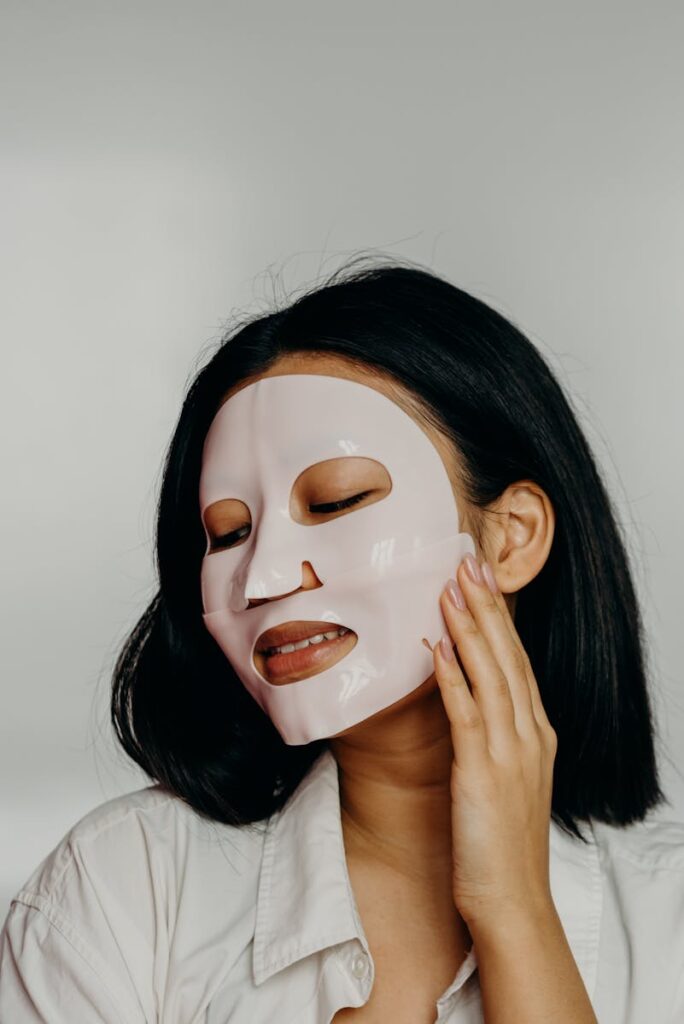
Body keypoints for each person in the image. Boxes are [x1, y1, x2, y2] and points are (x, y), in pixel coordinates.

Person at [1, 256, 683, 1023]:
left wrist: (515, 911)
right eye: (228, 533)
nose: (262, 577)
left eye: (335, 502)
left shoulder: (669, 917)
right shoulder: (121, 893)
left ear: (512, 537)